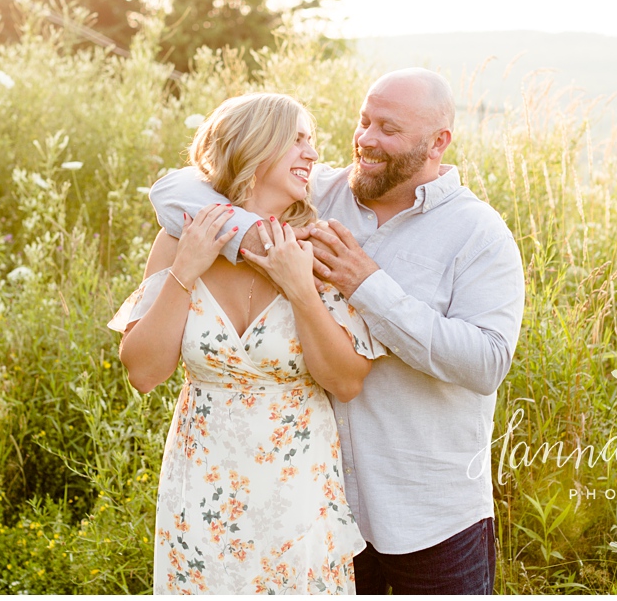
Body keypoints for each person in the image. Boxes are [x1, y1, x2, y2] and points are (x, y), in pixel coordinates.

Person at [149, 68, 525, 594]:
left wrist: (368, 284)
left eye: (388, 129)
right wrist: (257, 237)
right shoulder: (317, 192)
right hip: (316, 506)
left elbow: (486, 363)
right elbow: (177, 187)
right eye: (364, 121)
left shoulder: (478, 233)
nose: (366, 140)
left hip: (429, 514)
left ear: (438, 142)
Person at [110, 92, 386, 594]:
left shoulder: (318, 245)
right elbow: (143, 373)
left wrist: (300, 289)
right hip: (201, 491)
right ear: (256, 146)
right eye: (297, 140)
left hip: (296, 492)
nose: (312, 154)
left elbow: (346, 382)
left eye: (313, 142)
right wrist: (185, 273)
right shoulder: (181, 237)